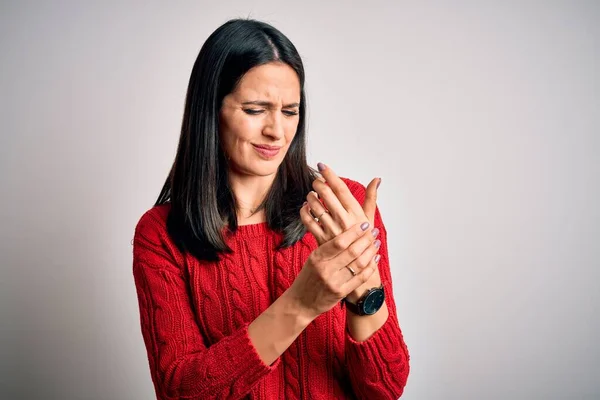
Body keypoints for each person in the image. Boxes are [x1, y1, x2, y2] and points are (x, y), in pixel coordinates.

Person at [132, 18, 410, 400]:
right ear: (211, 110)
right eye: (255, 109)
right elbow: (181, 391)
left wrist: (365, 290)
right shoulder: (160, 234)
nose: (276, 132)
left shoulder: (342, 208)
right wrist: (301, 303)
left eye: (290, 111)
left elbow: (385, 388)